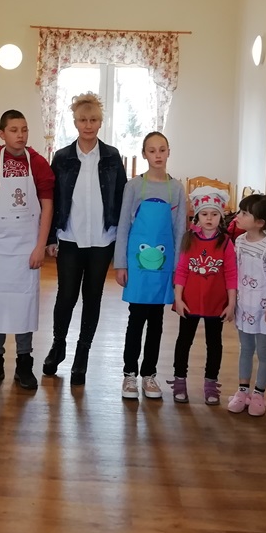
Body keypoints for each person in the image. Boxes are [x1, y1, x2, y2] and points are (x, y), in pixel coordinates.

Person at [43, 93, 127, 385]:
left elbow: (121, 198)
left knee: (93, 296)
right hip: (69, 238)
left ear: (100, 122)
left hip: (102, 241)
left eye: (93, 120)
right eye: (83, 120)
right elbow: (53, 199)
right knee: (66, 295)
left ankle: (83, 353)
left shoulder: (112, 156)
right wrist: (51, 237)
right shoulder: (62, 157)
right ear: (75, 122)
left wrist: (121, 242)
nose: (88, 125)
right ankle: (58, 345)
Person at [0, 110, 54, 390]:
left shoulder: (38, 163)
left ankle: (24, 364)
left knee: (24, 305)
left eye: (24, 129)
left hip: (26, 247)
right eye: (14, 130)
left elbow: (47, 207)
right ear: (1, 134)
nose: (20, 135)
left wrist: (40, 246)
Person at [114, 132, 186, 400]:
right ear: (144, 154)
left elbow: (180, 231)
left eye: (162, 150)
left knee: (156, 321)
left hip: (164, 266)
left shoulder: (176, 188)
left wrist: (178, 269)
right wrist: (121, 263)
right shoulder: (134, 186)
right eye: (152, 150)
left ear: (169, 152)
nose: (158, 155)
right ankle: (129, 374)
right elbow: (123, 226)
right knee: (136, 319)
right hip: (137, 265)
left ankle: (149, 375)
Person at [170, 186, 237, 405]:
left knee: (214, 344)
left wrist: (231, 303)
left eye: (214, 214)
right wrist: (178, 298)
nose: (209, 218)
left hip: (215, 303)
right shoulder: (189, 239)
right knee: (184, 341)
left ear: (221, 216)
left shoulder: (226, 242)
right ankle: (179, 380)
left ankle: (210, 383)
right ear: (197, 216)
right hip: (189, 301)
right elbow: (182, 270)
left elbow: (231, 274)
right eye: (205, 214)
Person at [227, 193, 266, 417]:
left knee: (264, 352)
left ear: (260, 222)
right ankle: (242, 391)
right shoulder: (239, 241)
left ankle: (258, 394)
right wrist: (233, 302)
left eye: (244, 213)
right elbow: (234, 273)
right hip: (244, 306)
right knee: (245, 349)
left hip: (263, 310)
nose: (238, 216)